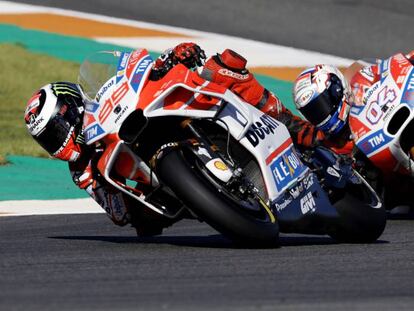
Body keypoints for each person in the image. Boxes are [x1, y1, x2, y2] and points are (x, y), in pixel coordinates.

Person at [25, 43, 322, 234]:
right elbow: (117, 214)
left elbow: (143, 71)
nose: (56, 141)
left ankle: (291, 125)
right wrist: (121, 202)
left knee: (221, 68)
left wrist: (171, 57)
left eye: (55, 130)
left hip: (160, 119)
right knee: (143, 223)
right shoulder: (82, 171)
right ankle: (216, 197)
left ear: (71, 109)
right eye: (47, 139)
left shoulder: (98, 107)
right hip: (161, 189)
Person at [292, 51, 414, 210]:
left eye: (322, 105)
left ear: (336, 90)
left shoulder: (360, 85)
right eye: (314, 112)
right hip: (396, 188)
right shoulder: (329, 144)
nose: (321, 114)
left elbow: (386, 69)